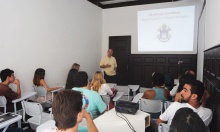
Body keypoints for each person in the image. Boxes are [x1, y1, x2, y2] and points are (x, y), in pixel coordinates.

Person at [147, 80, 212, 132]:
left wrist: (176, 102)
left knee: (147, 120)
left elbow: (158, 122)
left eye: (185, 90)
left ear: (194, 96)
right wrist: (204, 100)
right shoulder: (208, 113)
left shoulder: (175, 106)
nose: (181, 92)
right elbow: (202, 111)